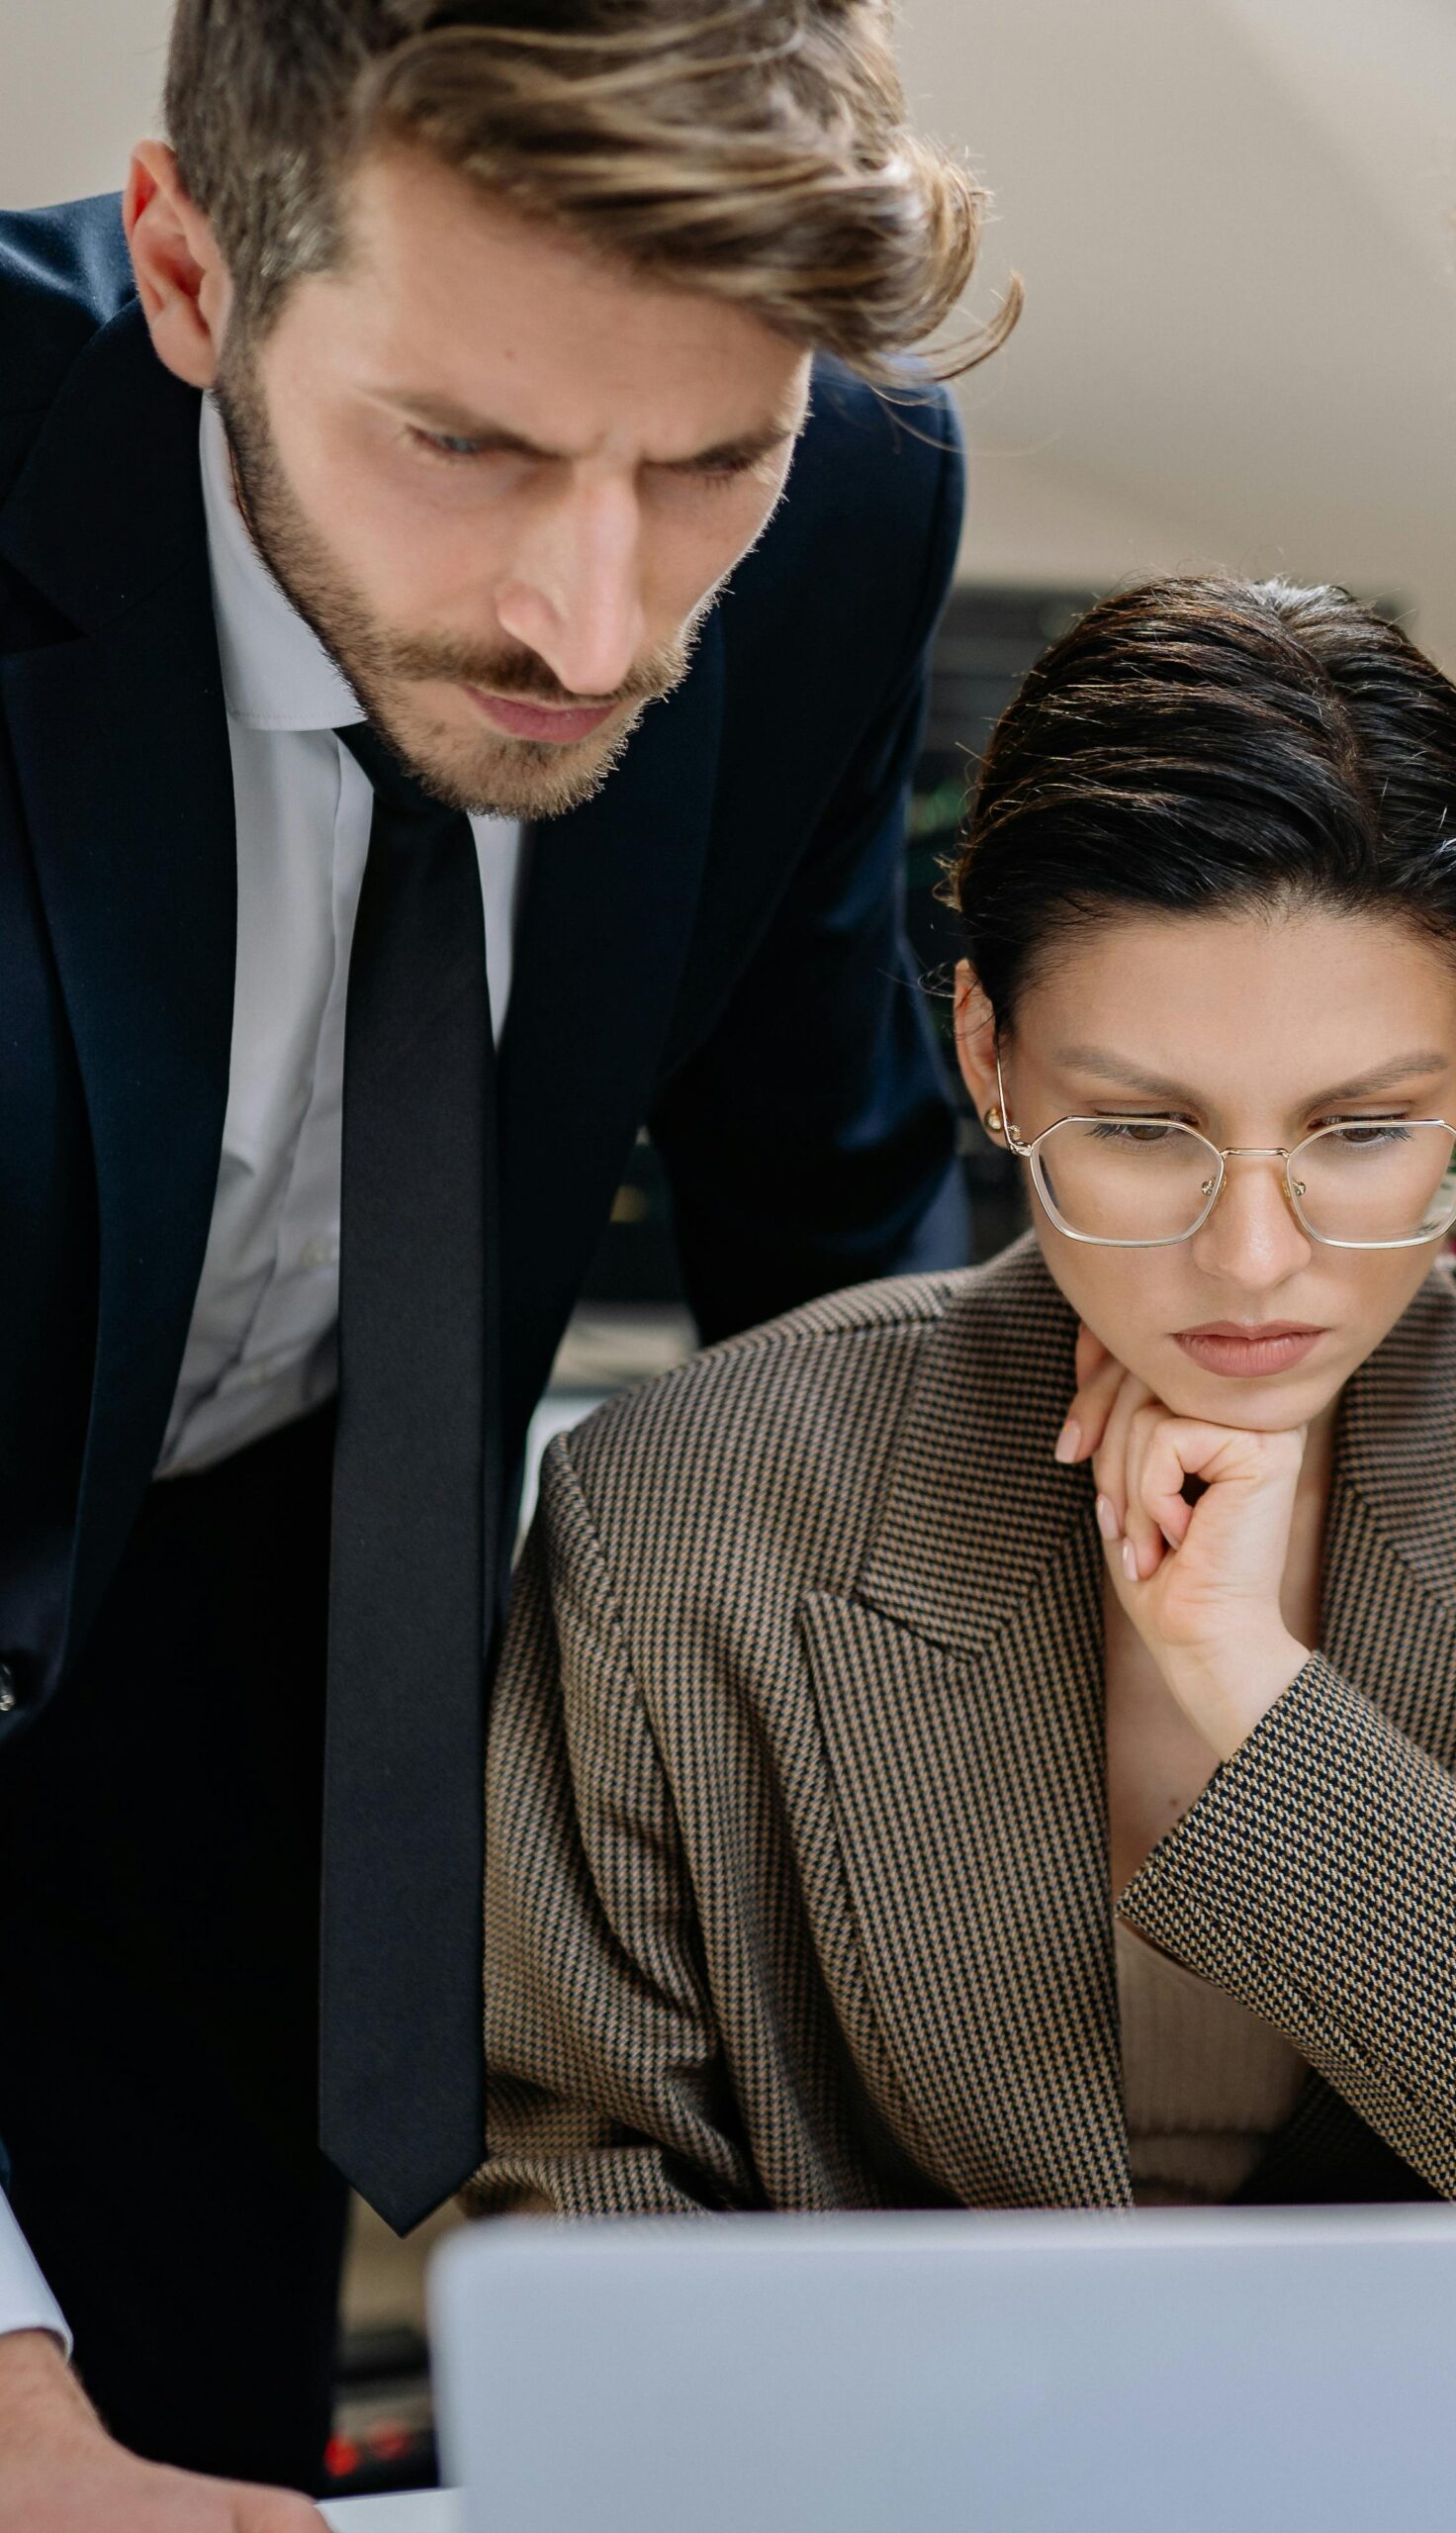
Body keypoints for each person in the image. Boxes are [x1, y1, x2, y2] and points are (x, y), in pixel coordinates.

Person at [0, 3, 1010, 2523]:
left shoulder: (857, 509)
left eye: (706, 465)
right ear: (188, 270)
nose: (591, 623)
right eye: (463, 446)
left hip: (237, 1716)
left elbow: (835, 1256)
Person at [466, 577, 1456, 2231]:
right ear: (987, 1053)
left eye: (1358, 1131)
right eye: (1139, 1130)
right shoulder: (672, 1518)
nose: (1255, 1259)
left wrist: (1260, 1698)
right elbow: (585, 2232)